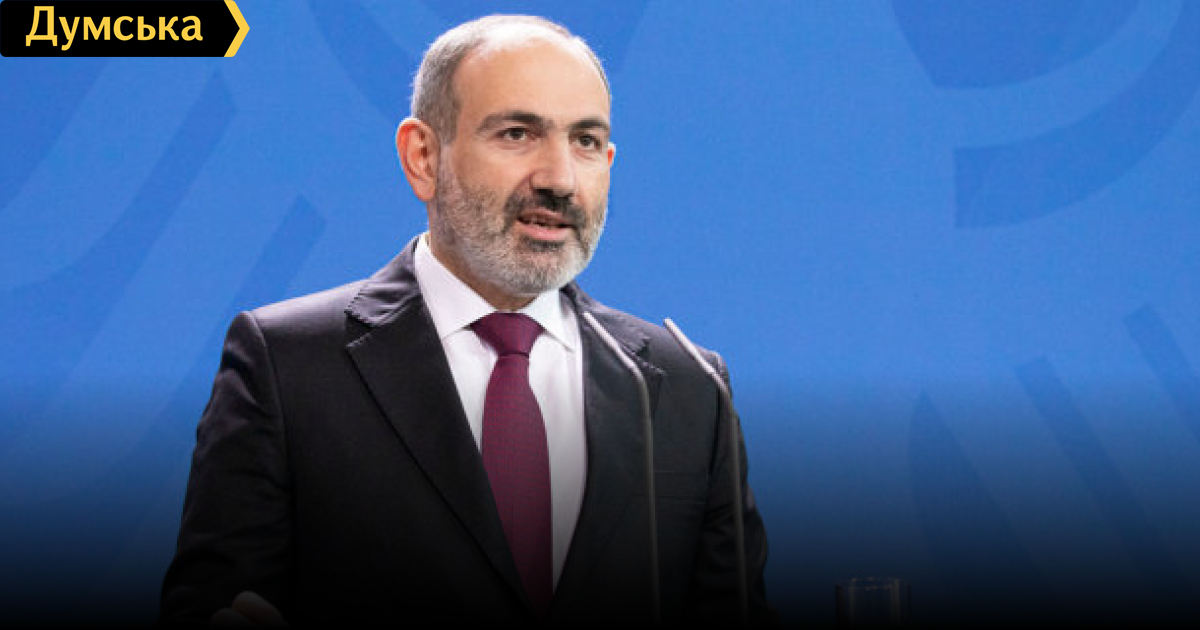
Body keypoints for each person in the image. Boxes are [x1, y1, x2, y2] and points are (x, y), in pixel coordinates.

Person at [159, 14, 773, 628]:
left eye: (585, 142)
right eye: (517, 134)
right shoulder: (289, 364)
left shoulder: (688, 386)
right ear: (423, 157)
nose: (560, 179)